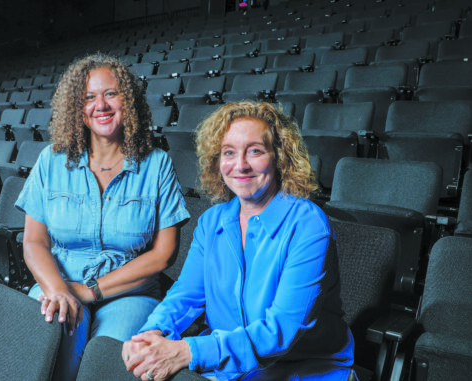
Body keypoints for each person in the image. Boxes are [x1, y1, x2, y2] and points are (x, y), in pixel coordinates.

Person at [122, 101, 355, 381]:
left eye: (255, 151)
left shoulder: (308, 224)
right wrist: (151, 335)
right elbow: (185, 296)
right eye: (229, 153)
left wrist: (188, 351)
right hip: (228, 366)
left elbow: (281, 330)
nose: (240, 165)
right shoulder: (211, 222)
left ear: (279, 156)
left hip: (302, 370)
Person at [16, 53, 190, 381]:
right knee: (48, 345)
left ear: (129, 100)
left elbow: (163, 254)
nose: (102, 105)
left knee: (109, 361)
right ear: (76, 108)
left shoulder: (157, 164)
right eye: (89, 97)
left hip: (131, 293)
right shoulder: (50, 160)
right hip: (60, 280)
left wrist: (90, 290)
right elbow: (33, 241)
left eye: (111, 94)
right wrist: (59, 290)